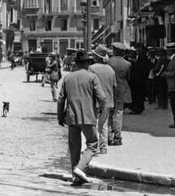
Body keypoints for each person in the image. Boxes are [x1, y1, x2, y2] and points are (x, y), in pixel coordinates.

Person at [57, 50, 106, 185]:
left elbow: (60, 99)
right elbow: (101, 97)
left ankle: (75, 175)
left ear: (77, 64)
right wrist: (103, 108)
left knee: (74, 146)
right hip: (88, 116)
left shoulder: (68, 78)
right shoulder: (92, 77)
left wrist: (60, 117)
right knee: (92, 144)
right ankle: (80, 168)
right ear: (87, 63)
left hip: (71, 117)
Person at [89, 44, 116, 154]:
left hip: (95, 100)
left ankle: (94, 147)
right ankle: (103, 147)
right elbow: (114, 85)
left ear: (96, 57)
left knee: (94, 124)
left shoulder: (92, 68)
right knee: (104, 124)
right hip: (108, 100)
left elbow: (88, 84)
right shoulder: (110, 69)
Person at [107, 42, 132, 146]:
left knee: (109, 114)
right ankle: (117, 138)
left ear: (115, 50)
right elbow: (129, 78)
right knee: (118, 114)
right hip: (121, 91)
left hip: (109, 90)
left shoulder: (108, 62)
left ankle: (108, 136)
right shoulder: (127, 64)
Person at [164, 42, 175, 128]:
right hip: (171, 86)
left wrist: (166, 74)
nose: (167, 52)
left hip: (173, 86)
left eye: (168, 50)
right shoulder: (172, 59)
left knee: (174, 105)